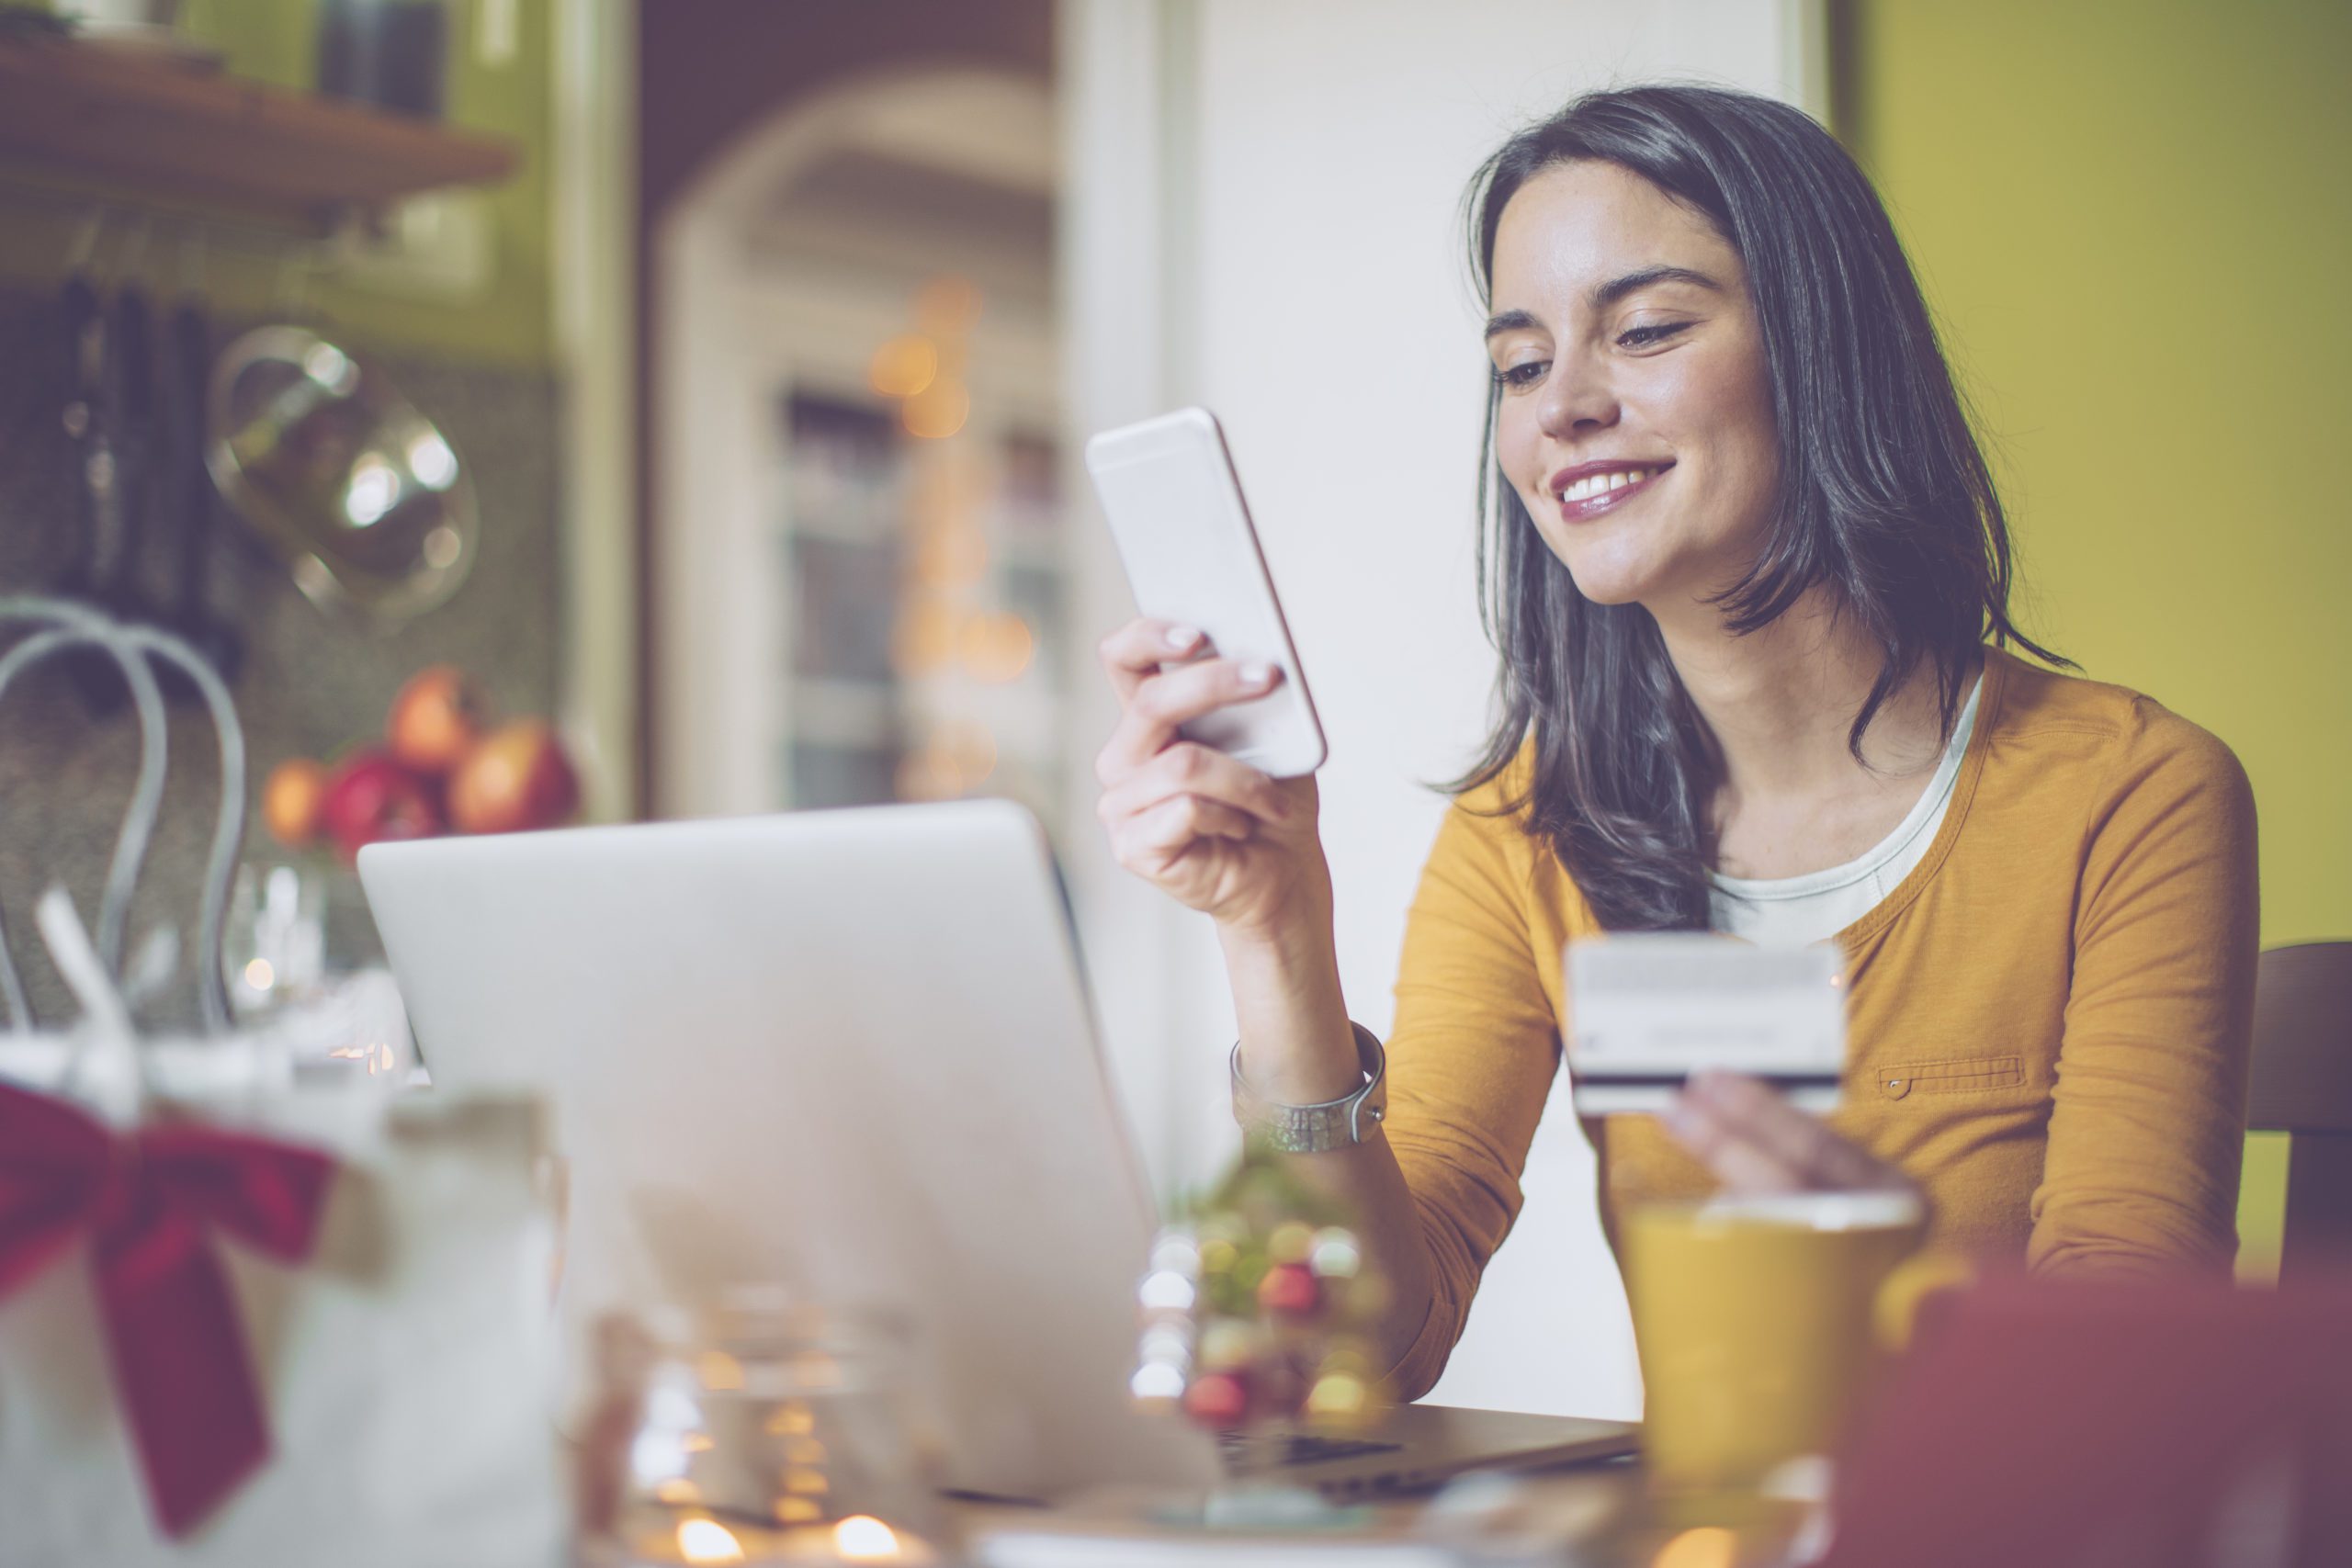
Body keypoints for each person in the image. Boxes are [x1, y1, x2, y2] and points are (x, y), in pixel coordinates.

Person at [1091, 85, 2258, 1400]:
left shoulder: (2132, 798)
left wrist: (1892, 1270)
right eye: (1520, 366)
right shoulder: (1527, 834)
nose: (1560, 408)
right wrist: (1276, 931)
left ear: (1824, 348)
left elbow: (2130, 1381)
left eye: (1643, 329)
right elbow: (1368, 1345)